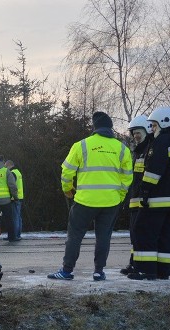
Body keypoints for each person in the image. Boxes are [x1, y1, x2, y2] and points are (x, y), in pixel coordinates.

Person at [47, 111, 132, 281]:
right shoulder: (122, 148)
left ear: (95, 127)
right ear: (111, 128)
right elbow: (127, 177)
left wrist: (67, 189)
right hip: (110, 201)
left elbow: (67, 171)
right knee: (104, 237)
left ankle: (67, 270)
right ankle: (98, 271)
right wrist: (120, 196)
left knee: (75, 236)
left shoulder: (82, 145)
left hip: (84, 201)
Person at [128, 106, 170, 280]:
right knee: (166, 237)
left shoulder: (162, 141)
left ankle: (145, 270)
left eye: (155, 126)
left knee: (143, 232)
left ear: (164, 122)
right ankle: (163, 272)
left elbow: (154, 170)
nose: (153, 130)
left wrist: (145, 190)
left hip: (156, 200)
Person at [119, 114, 153, 275]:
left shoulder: (149, 150)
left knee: (141, 234)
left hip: (144, 201)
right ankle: (134, 264)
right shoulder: (138, 151)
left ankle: (140, 267)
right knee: (134, 235)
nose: (135, 136)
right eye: (133, 133)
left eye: (138, 132)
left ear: (147, 130)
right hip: (135, 199)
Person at [5, 159, 23, 240]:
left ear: (9, 165)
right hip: (20, 197)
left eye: (6, 166)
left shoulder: (12, 173)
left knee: (14, 218)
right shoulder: (18, 172)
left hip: (14, 198)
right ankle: (18, 234)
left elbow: (12, 186)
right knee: (18, 217)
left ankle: (14, 235)